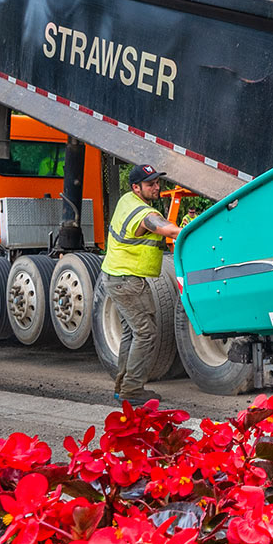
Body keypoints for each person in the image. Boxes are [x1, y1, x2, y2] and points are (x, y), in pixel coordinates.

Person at [103, 163, 180, 405]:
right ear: (136, 187)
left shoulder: (127, 200)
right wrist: (189, 231)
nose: (156, 187)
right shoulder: (144, 214)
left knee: (131, 332)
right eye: (150, 184)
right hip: (127, 281)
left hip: (116, 277)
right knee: (146, 333)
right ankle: (132, 390)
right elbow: (165, 228)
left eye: (157, 182)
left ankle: (122, 387)